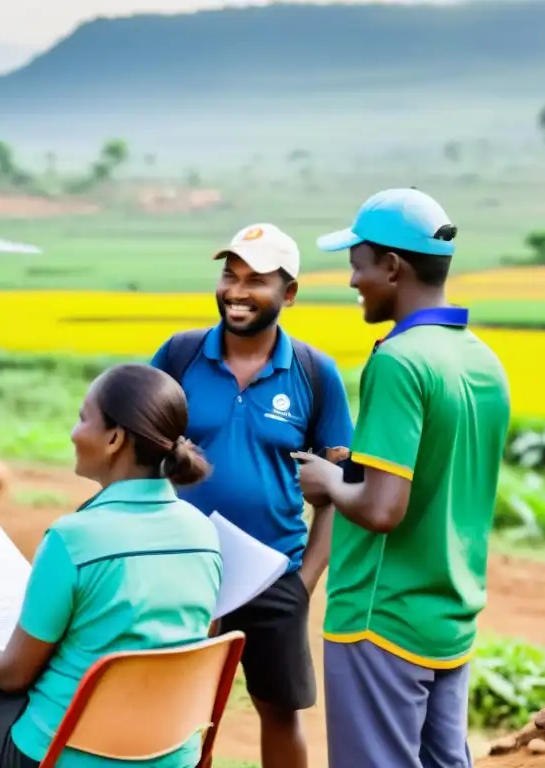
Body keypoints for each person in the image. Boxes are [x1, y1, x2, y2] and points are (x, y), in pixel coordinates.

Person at [299, 188, 511, 768]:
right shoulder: (480, 360)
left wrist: (327, 483)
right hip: (448, 615)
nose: (351, 280)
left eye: (357, 264)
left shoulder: (398, 360)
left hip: (381, 617)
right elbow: (439, 472)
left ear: (392, 266)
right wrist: (356, 466)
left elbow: (383, 509)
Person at [0, 363, 222, 768]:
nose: (73, 431)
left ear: (115, 438)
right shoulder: (203, 533)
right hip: (172, 755)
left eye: (83, 418)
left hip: (74, 757)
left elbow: (11, 675)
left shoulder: (73, 538)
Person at [150, 224, 355, 768]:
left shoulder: (315, 373)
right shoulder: (180, 355)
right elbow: (134, 445)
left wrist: (304, 582)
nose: (236, 292)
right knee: (177, 708)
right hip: (183, 568)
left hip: (274, 573)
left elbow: (338, 490)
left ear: (288, 294)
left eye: (256, 281)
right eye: (230, 276)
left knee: (279, 712)